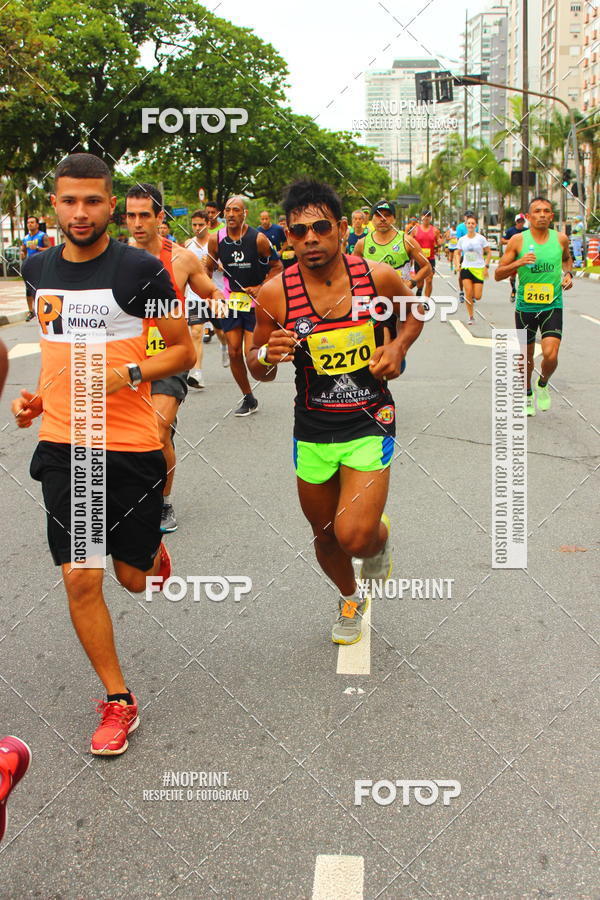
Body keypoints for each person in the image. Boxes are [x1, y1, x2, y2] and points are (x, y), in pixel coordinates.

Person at [12, 153, 195, 755]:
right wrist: (37, 400)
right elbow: (56, 349)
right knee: (81, 577)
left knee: (132, 578)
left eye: (93, 200)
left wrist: (130, 371)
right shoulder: (37, 268)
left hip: (132, 443)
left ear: (111, 205)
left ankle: (148, 552)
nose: (81, 212)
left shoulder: (141, 269)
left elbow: (183, 351)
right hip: (66, 443)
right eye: (69, 201)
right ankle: (119, 698)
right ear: (55, 205)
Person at [248, 179, 424, 645]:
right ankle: (350, 598)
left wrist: (399, 348)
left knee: (355, 534)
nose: (310, 239)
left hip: (370, 420)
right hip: (312, 429)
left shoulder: (376, 277)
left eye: (320, 227)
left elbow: (415, 312)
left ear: (341, 229)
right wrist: (269, 355)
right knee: (325, 535)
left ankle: (376, 538)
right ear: (287, 237)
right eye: (298, 231)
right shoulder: (274, 294)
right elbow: (255, 365)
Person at [126, 184, 224, 533]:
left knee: (157, 429)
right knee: (130, 436)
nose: (136, 223)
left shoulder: (181, 258)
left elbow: (208, 288)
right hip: (126, 358)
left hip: (169, 354)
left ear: (159, 217)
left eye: (144, 215)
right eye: (130, 216)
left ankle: (163, 503)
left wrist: (216, 300)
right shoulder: (114, 259)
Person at [495, 196, 573, 417]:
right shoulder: (518, 241)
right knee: (526, 358)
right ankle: (527, 393)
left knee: (551, 354)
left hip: (552, 305)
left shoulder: (561, 239)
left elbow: (567, 260)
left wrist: (568, 274)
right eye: (537, 211)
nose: (542, 214)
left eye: (546, 211)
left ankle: (543, 382)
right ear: (528, 217)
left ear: (551, 216)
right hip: (525, 308)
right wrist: (519, 263)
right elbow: (498, 274)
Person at [205, 195, 282, 416]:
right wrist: (210, 291)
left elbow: (278, 267)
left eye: (235, 210)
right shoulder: (216, 239)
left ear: (244, 213)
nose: (230, 214)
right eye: (227, 210)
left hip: (254, 301)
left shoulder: (258, 239)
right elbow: (207, 268)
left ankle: (267, 367)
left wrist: (261, 286)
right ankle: (248, 397)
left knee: (251, 354)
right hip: (231, 300)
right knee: (233, 351)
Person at [185, 209, 229, 374]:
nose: (197, 228)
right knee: (196, 332)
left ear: (208, 224)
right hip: (195, 296)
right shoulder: (188, 245)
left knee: (222, 332)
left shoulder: (218, 243)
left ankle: (224, 346)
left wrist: (217, 265)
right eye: (194, 225)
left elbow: (229, 268)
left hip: (216, 293)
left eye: (201, 225)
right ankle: (197, 373)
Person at [353, 200, 431, 292]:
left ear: (394, 219)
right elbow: (353, 271)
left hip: (400, 298)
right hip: (373, 300)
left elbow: (427, 266)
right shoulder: (362, 243)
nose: (383, 218)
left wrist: (412, 282)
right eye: (378, 215)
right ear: (372, 219)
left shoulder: (407, 241)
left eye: (387, 215)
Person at [454, 214, 491, 325]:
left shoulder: (481, 238)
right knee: (468, 293)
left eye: (473, 223)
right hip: (466, 268)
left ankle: (472, 300)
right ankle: (471, 317)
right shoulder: (462, 239)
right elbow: (457, 252)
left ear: (475, 225)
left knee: (478, 296)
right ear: (466, 225)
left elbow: (489, 252)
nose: (470, 225)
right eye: (468, 223)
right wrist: (457, 264)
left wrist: (486, 266)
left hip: (479, 268)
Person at [20, 216, 51, 320]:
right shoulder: (25, 238)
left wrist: (38, 248)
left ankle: (45, 309)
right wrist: (22, 253)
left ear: (37, 224)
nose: (30, 224)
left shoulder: (42, 236)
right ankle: (31, 311)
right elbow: (23, 249)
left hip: (42, 265)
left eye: (32, 222)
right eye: (28, 222)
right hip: (30, 266)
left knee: (42, 288)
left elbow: (50, 249)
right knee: (28, 289)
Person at [413, 211, 442, 297]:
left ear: (430, 218)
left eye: (428, 216)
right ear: (421, 217)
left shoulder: (435, 230)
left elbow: (438, 242)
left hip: (430, 259)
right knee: (419, 282)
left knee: (429, 280)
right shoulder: (415, 229)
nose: (426, 218)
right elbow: (410, 242)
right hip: (418, 259)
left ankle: (426, 301)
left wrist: (440, 242)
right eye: (424, 216)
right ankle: (419, 290)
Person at [502, 213, 527, 301]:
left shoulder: (527, 231)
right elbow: (502, 240)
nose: (520, 223)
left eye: (522, 221)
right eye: (519, 221)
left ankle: (523, 292)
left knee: (523, 275)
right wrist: (512, 241)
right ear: (516, 222)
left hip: (523, 256)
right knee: (512, 277)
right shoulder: (510, 231)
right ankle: (513, 289)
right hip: (513, 257)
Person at [455, 211, 477, 303]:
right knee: (462, 275)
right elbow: (458, 240)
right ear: (464, 217)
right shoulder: (460, 227)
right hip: (464, 254)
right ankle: (461, 291)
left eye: (470, 216)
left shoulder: (475, 226)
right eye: (467, 217)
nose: (469, 218)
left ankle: (471, 293)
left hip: (473, 255)